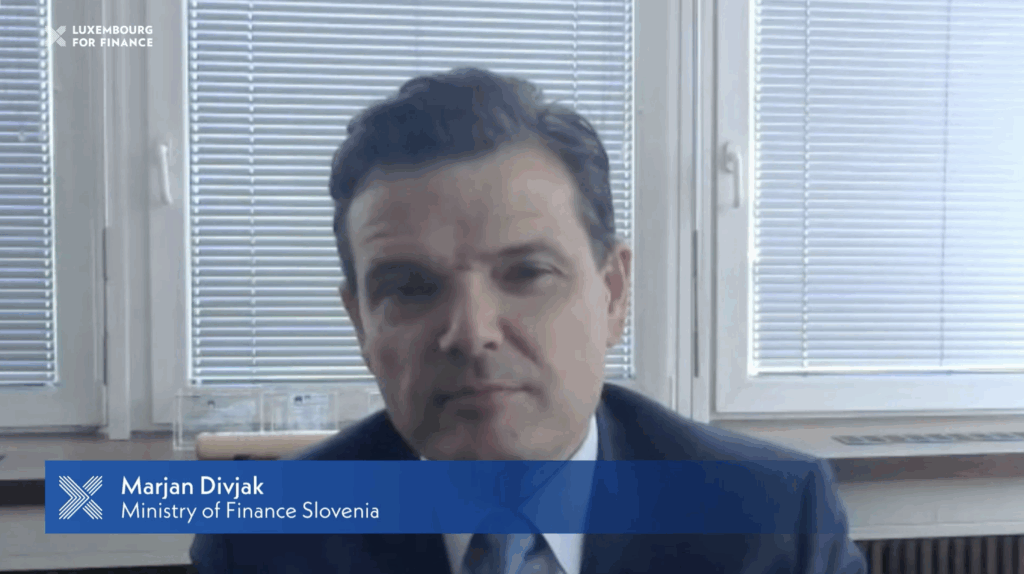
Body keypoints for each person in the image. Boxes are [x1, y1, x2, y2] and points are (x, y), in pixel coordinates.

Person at [190, 67, 867, 574]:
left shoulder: (774, 520)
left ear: (613, 294)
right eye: (411, 287)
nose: (471, 332)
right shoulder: (262, 542)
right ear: (361, 325)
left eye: (526, 273)